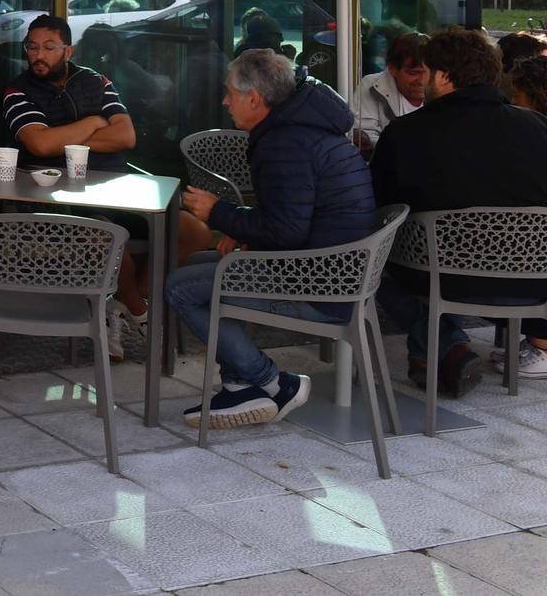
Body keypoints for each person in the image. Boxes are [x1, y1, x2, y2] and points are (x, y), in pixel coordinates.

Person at [172, 49, 374, 432]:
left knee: (179, 288)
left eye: (230, 92)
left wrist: (218, 213)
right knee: (201, 267)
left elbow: (286, 231)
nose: (224, 100)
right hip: (331, 272)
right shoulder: (303, 129)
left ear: (254, 98)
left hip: (316, 286)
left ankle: (272, 383)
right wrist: (243, 227)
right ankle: (240, 384)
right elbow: (292, 217)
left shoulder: (284, 143)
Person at [3, 14, 212, 359]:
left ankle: (122, 304)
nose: (38, 55)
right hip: (59, 194)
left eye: (49, 47)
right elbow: (39, 146)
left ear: (68, 50)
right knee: (110, 241)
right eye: (32, 47)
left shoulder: (96, 82)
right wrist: (92, 123)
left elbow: (125, 136)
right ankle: (141, 313)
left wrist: (65, 139)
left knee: (194, 233)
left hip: (116, 184)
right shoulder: (17, 90)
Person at [372, 29, 547, 392]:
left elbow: (380, 211)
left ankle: (444, 345)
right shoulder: (538, 128)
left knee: (376, 265)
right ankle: (436, 354)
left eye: (428, 70)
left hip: (437, 276)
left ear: (444, 76)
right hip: (531, 280)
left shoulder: (404, 135)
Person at [349, 31, 426, 156]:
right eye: (413, 73)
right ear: (392, 69)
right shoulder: (371, 85)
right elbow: (363, 135)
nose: (422, 81)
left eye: (427, 72)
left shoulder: (443, 88)